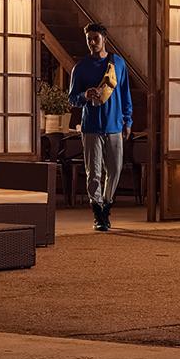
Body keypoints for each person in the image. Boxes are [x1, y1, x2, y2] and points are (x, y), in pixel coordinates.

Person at [69, 22, 132, 232]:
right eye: (89, 39)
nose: (92, 42)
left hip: (115, 125)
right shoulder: (80, 68)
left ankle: (106, 204)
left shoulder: (118, 63)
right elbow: (72, 98)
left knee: (114, 169)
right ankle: (98, 213)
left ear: (104, 39)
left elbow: (125, 94)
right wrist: (84, 95)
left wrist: (128, 120)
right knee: (93, 172)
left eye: (95, 38)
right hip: (91, 127)